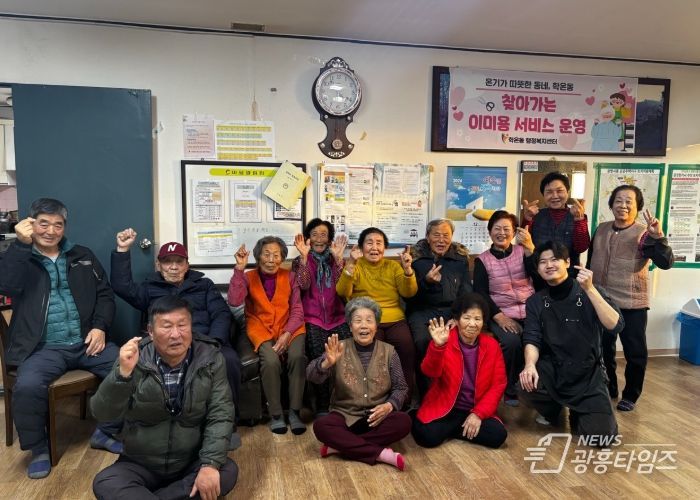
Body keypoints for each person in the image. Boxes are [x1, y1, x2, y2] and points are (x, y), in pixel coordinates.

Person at [0, 198, 120, 479]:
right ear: (30, 224)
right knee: (27, 386)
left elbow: (105, 295)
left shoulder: (82, 255)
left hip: (86, 342)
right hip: (42, 348)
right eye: (44, 223)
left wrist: (100, 327)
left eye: (58, 224)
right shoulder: (20, 256)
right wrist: (21, 246)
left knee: (131, 368)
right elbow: (6, 286)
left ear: (65, 227)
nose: (51, 231)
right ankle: (39, 449)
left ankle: (106, 431)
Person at [91, 296, 238, 500]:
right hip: (141, 462)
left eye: (182, 325)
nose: (176, 334)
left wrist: (209, 465)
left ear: (191, 327)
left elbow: (220, 414)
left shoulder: (210, 358)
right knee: (106, 482)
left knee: (226, 471)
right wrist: (122, 375)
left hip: (190, 461)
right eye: (167, 326)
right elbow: (103, 413)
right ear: (150, 331)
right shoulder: (133, 357)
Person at [111, 230, 242, 448]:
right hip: (164, 345)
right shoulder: (149, 287)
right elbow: (121, 286)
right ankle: (149, 426)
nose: (173, 267)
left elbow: (221, 313)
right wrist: (123, 250)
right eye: (167, 262)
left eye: (179, 262)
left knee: (229, 360)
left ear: (187, 265)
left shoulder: (204, 285)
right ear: (158, 265)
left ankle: (228, 425)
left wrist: (214, 343)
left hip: (203, 341)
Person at [519, 241, 623, 440]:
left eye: (554, 259)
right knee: (525, 384)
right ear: (538, 269)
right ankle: (554, 409)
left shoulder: (591, 291)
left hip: (588, 373)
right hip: (554, 369)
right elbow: (532, 337)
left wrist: (590, 290)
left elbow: (615, 325)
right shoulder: (536, 301)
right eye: (543, 262)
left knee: (602, 437)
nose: (549, 265)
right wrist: (530, 365)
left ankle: (579, 410)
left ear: (567, 262)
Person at [587, 185, 673, 411]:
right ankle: (609, 388)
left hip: (632, 303)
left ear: (637, 207)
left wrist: (658, 237)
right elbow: (590, 260)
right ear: (611, 205)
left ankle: (631, 395)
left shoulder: (644, 234)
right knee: (603, 349)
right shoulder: (601, 229)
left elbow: (665, 263)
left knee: (635, 352)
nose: (623, 205)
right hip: (602, 301)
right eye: (618, 200)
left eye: (629, 202)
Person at [308, 297, 411, 470]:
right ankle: (380, 454)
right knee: (321, 426)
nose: (364, 325)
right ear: (350, 326)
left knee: (404, 421)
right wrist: (326, 364)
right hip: (344, 415)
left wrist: (389, 406)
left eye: (369, 320)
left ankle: (341, 446)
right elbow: (311, 375)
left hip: (376, 418)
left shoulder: (389, 352)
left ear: (376, 326)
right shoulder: (338, 348)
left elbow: (401, 388)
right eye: (358, 321)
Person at [228, 236, 306, 435]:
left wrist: (287, 334)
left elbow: (297, 310)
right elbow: (235, 301)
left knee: (297, 356)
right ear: (258, 256)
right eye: (266, 254)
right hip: (260, 327)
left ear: (282, 258)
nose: (271, 260)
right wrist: (239, 269)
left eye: (276, 255)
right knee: (270, 361)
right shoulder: (248, 277)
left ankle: (295, 412)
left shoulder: (290, 277)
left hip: (290, 326)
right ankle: (276, 414)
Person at [412, 293, 507, 449]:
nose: (472, 324)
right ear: (456, 320)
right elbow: (429, 372)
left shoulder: (492, 345)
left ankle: (453, 429)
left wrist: (478, 414)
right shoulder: (444, 340)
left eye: (477, 319)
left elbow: (498, 385)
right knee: (426, 437)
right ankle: (462, 429)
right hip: (447, 408)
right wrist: (438, 347)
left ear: (483, 322)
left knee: (498, 435)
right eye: (467, 318)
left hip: (475, 408)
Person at [336, 227, 418, 402]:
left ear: (385, 248)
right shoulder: (355, 265)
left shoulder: (393, 266)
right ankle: (377, 399)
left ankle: (404, 399)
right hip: (366, 319)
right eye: (369, 243)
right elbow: (342, 292)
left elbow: (409, 292)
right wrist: (350, 264)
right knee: (375, 353)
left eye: (379, 243)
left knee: (406, 347)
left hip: (394, 318)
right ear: (361, 247)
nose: (374, 247)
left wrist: (408, 270)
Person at [473, 211, 536, 405]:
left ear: (514, 232)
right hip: (502, 312)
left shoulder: (522, 251)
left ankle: (540, 386)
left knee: (542, 337)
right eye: (497, 229)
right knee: (512, 342)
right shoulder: (482, 260)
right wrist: (499, 316)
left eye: (506, 229)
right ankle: (510, 388)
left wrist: (531, 251)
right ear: (490, 231)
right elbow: (481, 293)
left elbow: (539, 277)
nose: (502, 233)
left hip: (531, 310)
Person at [405, 219, 471, 398]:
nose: (441, 240)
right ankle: (427, 395)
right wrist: (426, 282)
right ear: (427, 237)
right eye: (436, 235)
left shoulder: (460, 260)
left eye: (446, 235)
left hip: (451, 311)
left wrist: (458, 316)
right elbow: (408, 296)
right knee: (423, 341)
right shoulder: (416, 260)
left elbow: (466, 292)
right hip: (422, 311)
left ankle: (454, 392)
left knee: (459, 341)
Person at [292, 218, 351, 415]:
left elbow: (342, 288)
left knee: (345, 359)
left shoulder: (336, 259)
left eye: (323, 235)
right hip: (312, 319)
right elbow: (304, 285)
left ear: (329, 239)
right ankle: (323, 406)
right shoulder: (300, 260)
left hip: (338, 317)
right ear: (308, 238)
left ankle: (345, 403)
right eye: (314, 234)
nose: (319, 239)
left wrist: (339, 260)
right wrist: (303, 258)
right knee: (320, 361)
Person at [521, 172, 590, 287]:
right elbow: (523, 245)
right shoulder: (535, 216)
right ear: (543, 195)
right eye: (549, 192)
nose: (554, 196)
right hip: (540, 277)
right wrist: (527, 219)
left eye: (559, 191)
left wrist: (579, 220)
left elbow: (581, 247)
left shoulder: (577, 216)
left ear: (567, 192)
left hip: (569, 279)